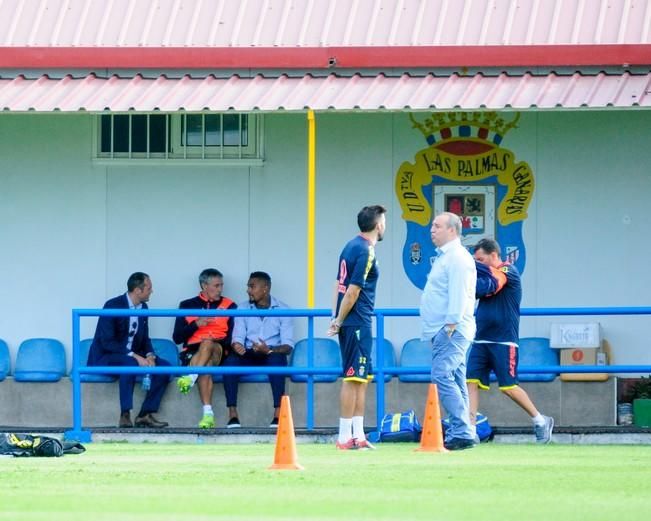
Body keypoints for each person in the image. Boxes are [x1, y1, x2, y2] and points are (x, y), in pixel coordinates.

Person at [468, 238, 554, 443]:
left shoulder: (508, 271)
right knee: (469, 382)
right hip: (481, 338)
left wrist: (467, 276)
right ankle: (469, 431)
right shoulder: (484, 272)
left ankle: (540, 420)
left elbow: (486, 288)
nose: (477, 263)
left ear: (494, 255)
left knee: (508, 387)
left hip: (504, 340)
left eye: (480, 260)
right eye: (475, 260)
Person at [327, 205, 387, 450]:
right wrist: (339, 320)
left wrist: (335, 317)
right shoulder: (366, 250)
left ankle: (358, 435)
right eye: (384, 222)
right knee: (352, 378)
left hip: (353, 321)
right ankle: (343, 437)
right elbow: (352, 290)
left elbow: (336, 285)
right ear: (378, 225)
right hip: (357, 321)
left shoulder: (350, 246)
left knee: (362, 377)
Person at [420, 212, 477, 451]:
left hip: (452, 328)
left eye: (437, 226)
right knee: (455, 378)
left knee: (442, 375)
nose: (432, 230)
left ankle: (462, 430)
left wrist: (451, 325)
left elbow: (459, 294)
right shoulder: (448, 257)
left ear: (452, 230)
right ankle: (465, 430)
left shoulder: (457, 258)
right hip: (448, 328)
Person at [88, 272, 171, 428]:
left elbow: (145, 338)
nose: (151, 291)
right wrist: (134, 356)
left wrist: (150, 355)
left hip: (133, 356)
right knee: (129, 363)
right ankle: (125, 414)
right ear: (137, 290)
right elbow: (107, 342)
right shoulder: (112, 305)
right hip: (107, 357)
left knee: (165, 368)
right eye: (149, 288)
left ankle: (145, 415)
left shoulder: (144, 308)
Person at [222, 272, 294, 428]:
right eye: (248, 286)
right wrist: (237, 346)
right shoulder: (243, 308)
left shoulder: (283, 309)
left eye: (252, 286)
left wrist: (269, 349)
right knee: (230, 363)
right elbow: (238, 337)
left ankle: (277, 415)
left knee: (277, 361)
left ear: (265, 288)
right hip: (248, 352)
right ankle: (233, 415)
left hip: (270, 352)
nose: (248, 290)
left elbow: (288, 346)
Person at [173, 268, 237, 429]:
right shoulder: (187, 305)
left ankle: (191, 377)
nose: (220, 289)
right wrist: (195, 324)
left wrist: (219, 341)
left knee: (208, 343)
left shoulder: (230, 305)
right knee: (205, 367)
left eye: (221, 285)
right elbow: (177, 338)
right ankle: (208, 414)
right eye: (216, 286)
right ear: (204, 286)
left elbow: (233, 336)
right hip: (193, 351)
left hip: (218, 348)